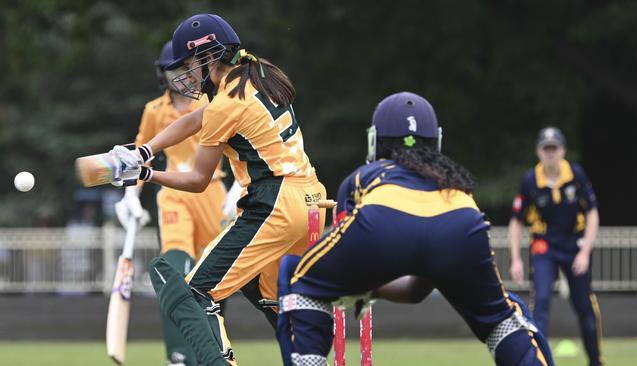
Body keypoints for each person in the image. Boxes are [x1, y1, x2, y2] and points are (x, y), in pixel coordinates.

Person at [108, 13, 326, 366]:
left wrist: (147, 176)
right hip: (313, 200)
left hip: (275, 204)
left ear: (209, 56)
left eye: (190, 63)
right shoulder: (258, 72)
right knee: (268, 294)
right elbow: (197, 118)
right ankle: (305, 360)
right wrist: (146, 151)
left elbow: (197, 179)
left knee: (193, 291)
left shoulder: (226, 105)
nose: (188, 74)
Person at [276, 91, 554, 366]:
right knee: (504, 319)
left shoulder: (365, 175)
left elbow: (350, 259)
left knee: (298, 277)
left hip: (382, 219)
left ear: (376, 141)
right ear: (436, 141)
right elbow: (418, 288)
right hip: (462, 223)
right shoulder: (452, 179)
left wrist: (364, 288)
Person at [114, 40, 241, 366]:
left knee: (211, 283)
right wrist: (130, 198)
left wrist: (239, 186)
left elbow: (242, 144)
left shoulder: (217, 104)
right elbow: (139, 154)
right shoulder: (155, 110)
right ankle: (178, 356)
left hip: (213, 193)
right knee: (174, 270)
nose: (179, 76)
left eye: (183, 68)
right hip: (172, 193)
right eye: (173, 70)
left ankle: (211, 353)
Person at [508, 126, 603, 366]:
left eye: (554, 148)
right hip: (544, 247)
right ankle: (539, 362)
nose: (550, 153)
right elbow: (516, 221)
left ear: (563, 150)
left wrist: (585, 251)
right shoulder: (530, 180)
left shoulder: (576, 175)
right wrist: (516, 259)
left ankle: (596, 361)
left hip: (574, 246)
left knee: (585, 308)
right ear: (538, 151)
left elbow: (592, 213)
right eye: (545, 148)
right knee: (540, 304)